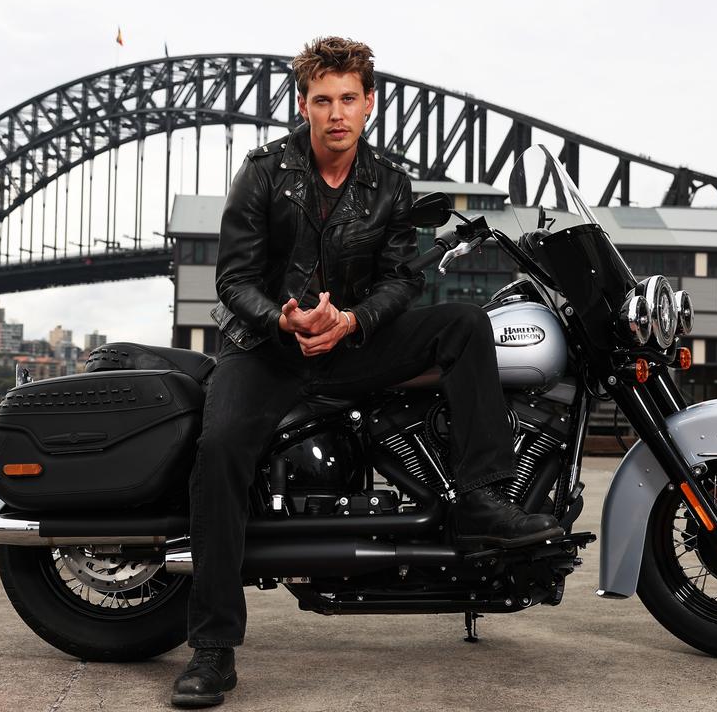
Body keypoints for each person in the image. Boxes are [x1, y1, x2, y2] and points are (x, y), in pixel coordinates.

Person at [170, 37, 561, 709]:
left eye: (348, 98)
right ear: (304, 105)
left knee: (463, 324)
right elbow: (232, 279)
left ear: (369, 103)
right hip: (268, 349)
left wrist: (351, 323)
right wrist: (284, 319)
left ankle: (479, 500)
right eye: (322, 100)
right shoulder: (263, 172)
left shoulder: (389, 181)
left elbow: (402, 278)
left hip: (351, 342)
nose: (336, 113)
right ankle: (212, 647)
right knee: (220, 448)